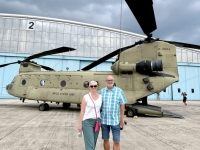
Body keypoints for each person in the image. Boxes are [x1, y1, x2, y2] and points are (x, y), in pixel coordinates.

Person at [99, 75, 127, 150]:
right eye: (108, 80)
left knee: (116, 141)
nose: (110, 81)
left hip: (115, 121)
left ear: (113, 81)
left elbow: (122, 105)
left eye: (111, 80)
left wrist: (122, 119)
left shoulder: (119, 91)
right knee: (105, 139)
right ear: (106, 81)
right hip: (104, 120)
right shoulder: (102, 91)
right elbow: (98, 104)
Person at [78, 81, 102, 150]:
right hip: (87, 121)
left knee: (93, 143)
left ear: (97, 87)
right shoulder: (86, 97)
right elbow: (82, 111)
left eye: (95, 86)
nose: (93, 87)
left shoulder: (100, 97)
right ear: (89, 87)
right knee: (90, 144)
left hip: (97, 121)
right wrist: (80, 124)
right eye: (92, 86)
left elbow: (99, 109)